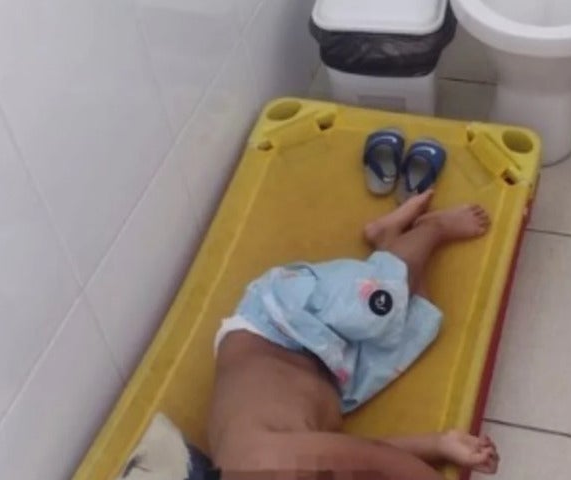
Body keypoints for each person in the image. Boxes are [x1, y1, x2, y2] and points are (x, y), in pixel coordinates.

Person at [209, 190, 499, 479]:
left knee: (380, 306)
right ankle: (387, 238)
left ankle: (433, 228)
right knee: (418, 323)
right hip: (333, 374)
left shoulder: (263, 464)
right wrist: (439, 444)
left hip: (283, 323)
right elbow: (351, 456)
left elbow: (378, 460)